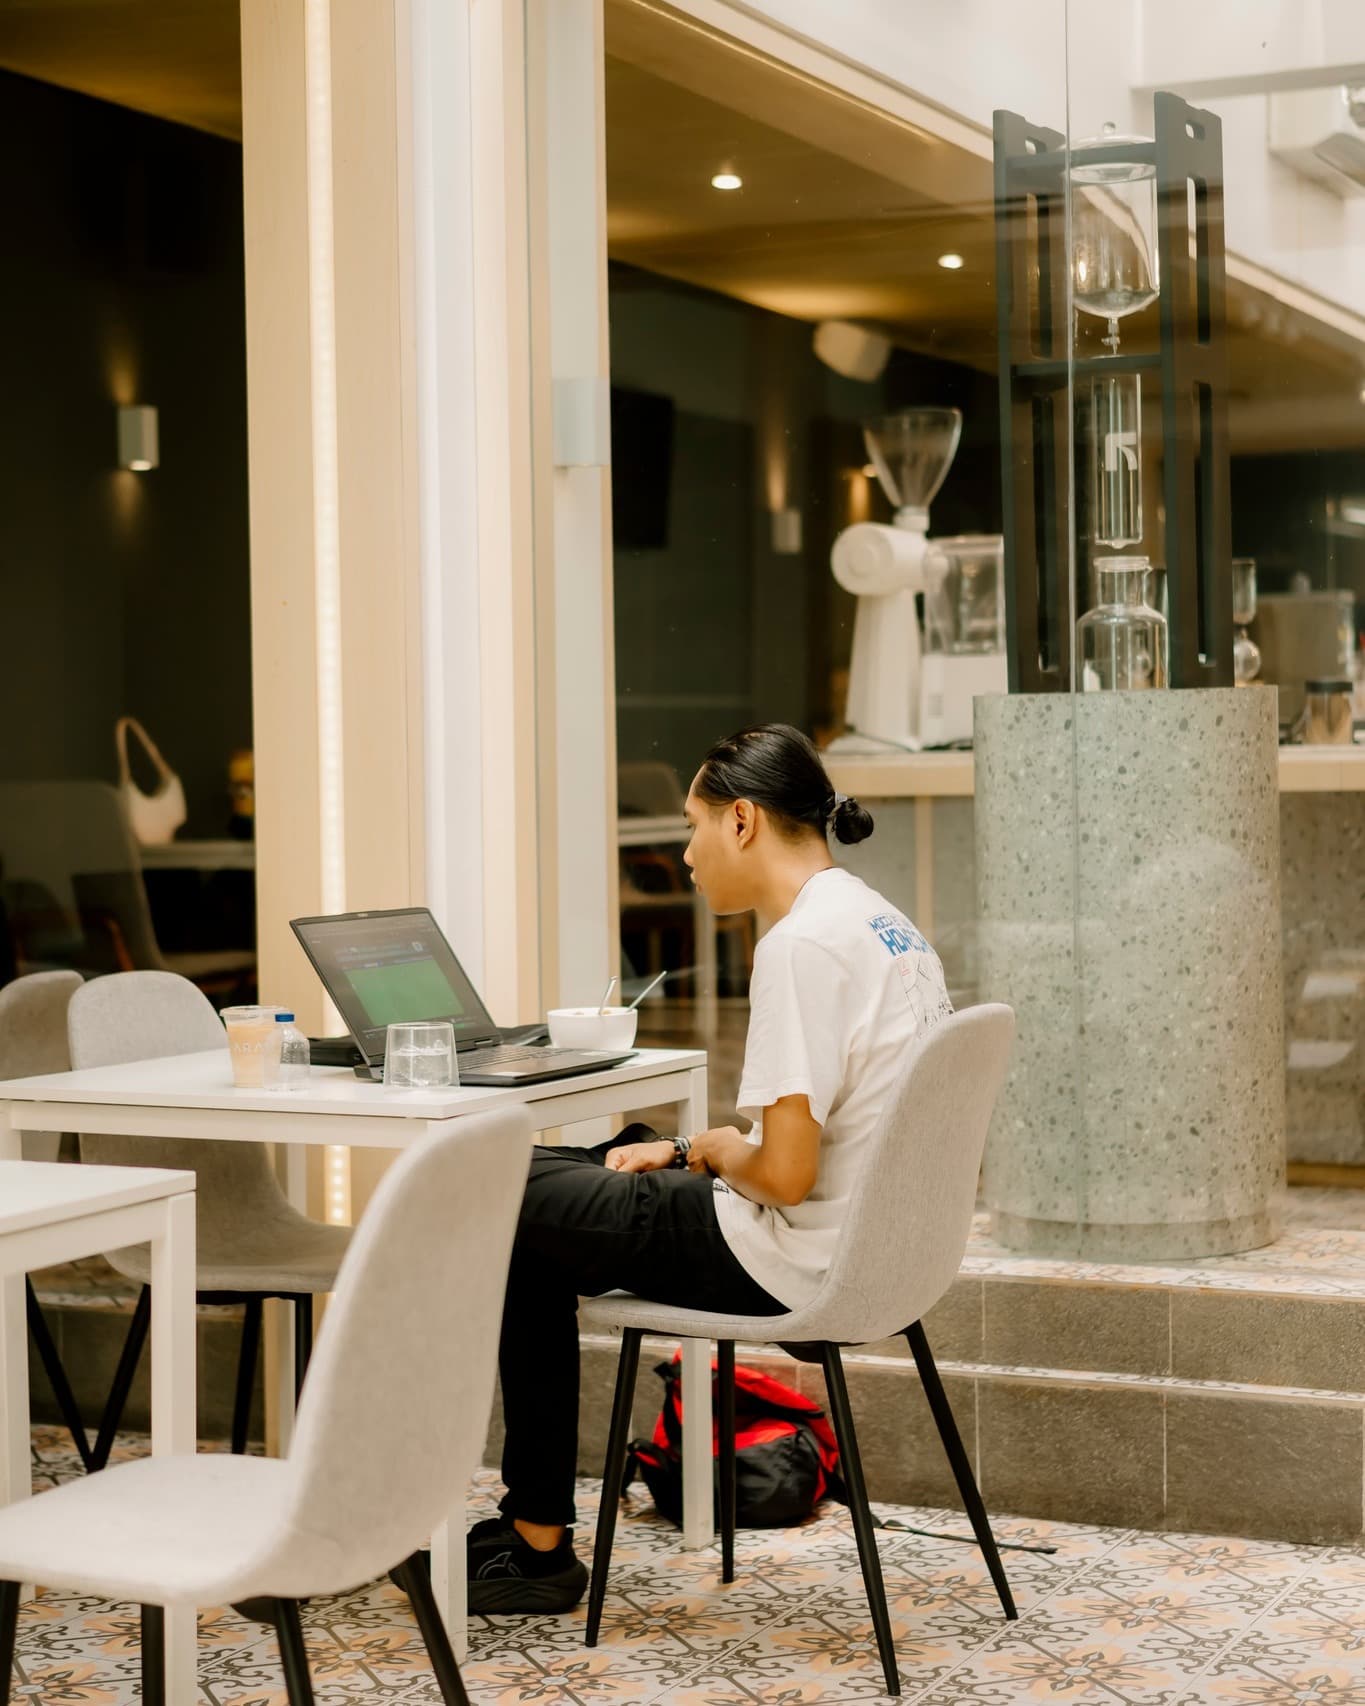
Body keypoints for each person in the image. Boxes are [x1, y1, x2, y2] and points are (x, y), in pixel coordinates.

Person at [468, 722, 953, 1613]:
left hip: (785, 1256)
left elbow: (784, 1175)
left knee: (493, 1189)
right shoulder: (882, 923)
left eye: (692, 825)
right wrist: (687, 1149)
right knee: (588, 1170)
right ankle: (533, 1537)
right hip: (873, 1252)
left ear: (741, 822)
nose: (685, 853)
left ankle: (534, 1548)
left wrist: (721, 1151)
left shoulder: (800, 946)